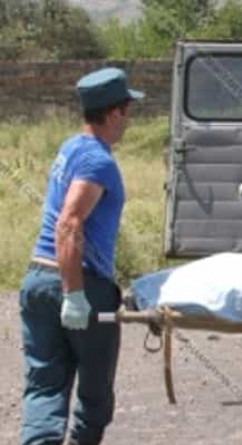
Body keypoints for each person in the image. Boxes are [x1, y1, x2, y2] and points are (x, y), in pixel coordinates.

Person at [18, 67, 142, 445]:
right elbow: (70, 222)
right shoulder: (98, 162)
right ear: (114, 113)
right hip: (80, 283)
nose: (129, 120)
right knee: (95, 396)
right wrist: (74, 294)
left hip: (38, 281)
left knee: (44, 386)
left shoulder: (70, 148)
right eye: (128, 111)